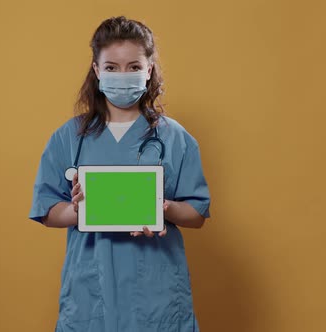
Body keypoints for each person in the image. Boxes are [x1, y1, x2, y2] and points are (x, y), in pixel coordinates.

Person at [28, 16, 211, 332]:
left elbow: (196, 213)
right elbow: (46, 210)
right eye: (111, 67)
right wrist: (80, 209)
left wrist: (162, 208)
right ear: (97, 71)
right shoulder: (68, 138)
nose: (122, 75)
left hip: (156, 294)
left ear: (149, 69)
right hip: (90, 291)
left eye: (133, 66)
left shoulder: (175, 138)